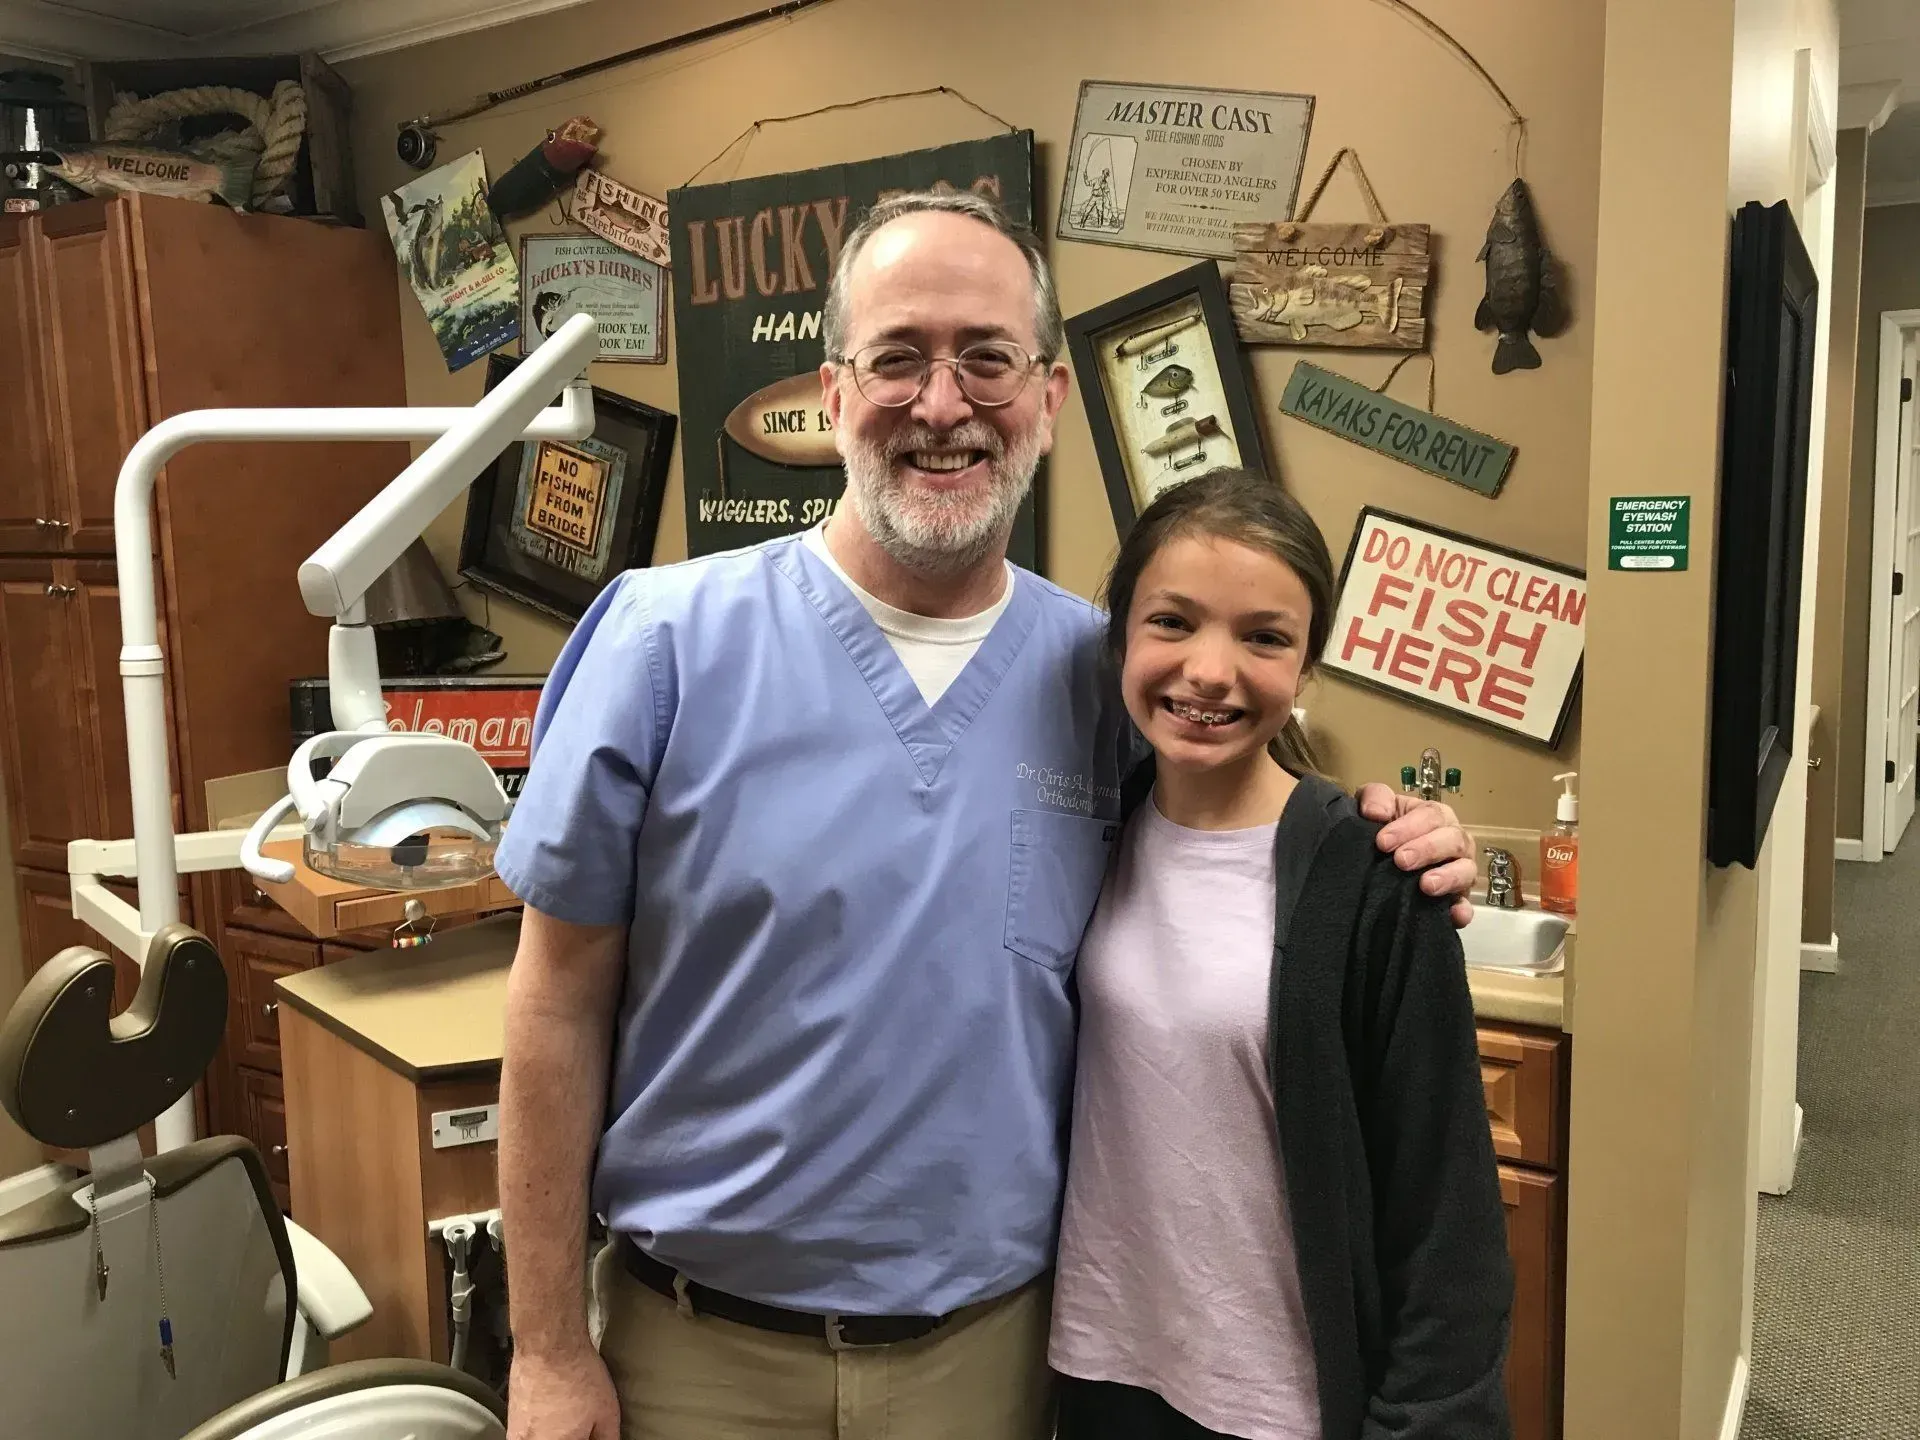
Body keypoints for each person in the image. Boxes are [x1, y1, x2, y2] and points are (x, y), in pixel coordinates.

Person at [491, 189, 1482, 1440]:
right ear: (834, 393)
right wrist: (545, 1348)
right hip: (694, 1359)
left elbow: (1239, 821)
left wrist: (1393, 841)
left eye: (988, 359)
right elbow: (554, 1004)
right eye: (897, 357)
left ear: (1051, 398)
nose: (943, 403)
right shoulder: (663, 644)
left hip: (991, 1365)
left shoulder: (1099, 680)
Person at [1048, 468, 1512, 1440]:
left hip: (1279, 1404)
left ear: (1306, 669)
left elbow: (1448, 1221)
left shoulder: (1376, 880)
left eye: (1263, 637)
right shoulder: (1087, 828)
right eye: (1172, 621)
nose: (1210, 671)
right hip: (1099, 1368)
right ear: (1121, 634)